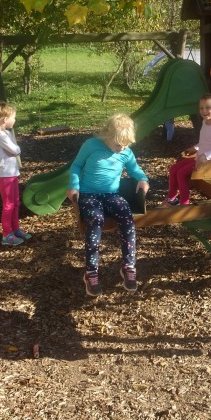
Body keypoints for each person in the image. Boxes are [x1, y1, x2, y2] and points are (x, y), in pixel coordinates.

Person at [67, 113, 150, 296]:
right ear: (107, 135)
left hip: (111, 195)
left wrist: (142, 179)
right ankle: (91, 272)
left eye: (126, 145)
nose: (122, 148)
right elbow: (76, 166)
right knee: (95, 219)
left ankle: (128, 266)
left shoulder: (126, 152)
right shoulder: (91, 145)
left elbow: (135, 170)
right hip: (88, 194)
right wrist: (74, 187)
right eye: (119, 144)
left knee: (126, 215)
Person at [163, 93, 211, 206]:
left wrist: (205, 156)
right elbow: (205, 142)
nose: (204, 111)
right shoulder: (205, 122)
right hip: (199, 158)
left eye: (208, 108)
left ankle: (184, 203)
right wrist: (195, 147)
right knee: (173, 169)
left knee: (181, 173)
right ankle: (171, 198)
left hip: (208, 162)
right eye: (201, 108)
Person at [0, 102, 32, 246]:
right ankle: (6, 234)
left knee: (15, 202)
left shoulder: (7, 133)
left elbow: (15, 149)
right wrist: (16, 149)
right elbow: (16, 150)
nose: (15, 120)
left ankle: (15, 229)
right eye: (13, 117)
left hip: (13, 173)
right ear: (5, 119)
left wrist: (15, 149)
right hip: (4, 175)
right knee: (8, 205)